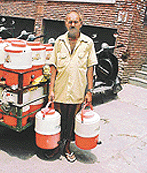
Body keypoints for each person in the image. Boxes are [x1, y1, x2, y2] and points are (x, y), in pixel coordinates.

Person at [48, 10, 98, 162]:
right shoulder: (59, 42)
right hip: (60, 90)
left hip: (77, 91)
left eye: (76, 22)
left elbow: (90, 68)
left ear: (81, 24)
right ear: (65, 23)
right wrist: (51, 90)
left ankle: (67, 147)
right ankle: (56, 146)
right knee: (57, 121)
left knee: (71, 123)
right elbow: (53, 67)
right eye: (69, 21)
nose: (72, 24)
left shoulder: (88, 43)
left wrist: (89, 91)